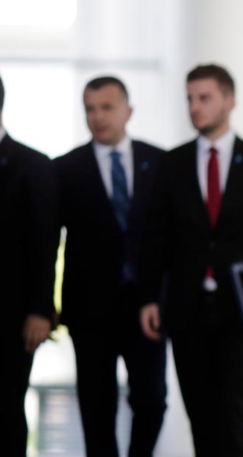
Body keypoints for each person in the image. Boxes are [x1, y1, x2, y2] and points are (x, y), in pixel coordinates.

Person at [139, 64, 243, 456]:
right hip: (185, 307)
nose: (195, 106)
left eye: (204, 98)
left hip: (242, 309)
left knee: (233, 408)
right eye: (190, 99)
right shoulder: (171, 164)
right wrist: (150, 298)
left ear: (229, 100)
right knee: (200, 412)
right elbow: (156, 236)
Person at [56, 76, 167, 456]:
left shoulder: (160, 162)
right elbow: (47, 239)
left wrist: (162, 296)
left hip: (147, 308)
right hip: (89, 312)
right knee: (96, 408)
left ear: (128, 111)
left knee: (152, 401)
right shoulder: (65, 168)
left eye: (107, 107)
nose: (98, 116)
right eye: (90, 109)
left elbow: (172, 237)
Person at [0, 74, 61, 457]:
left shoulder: (33, 166)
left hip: (12, 318)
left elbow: (45, 243)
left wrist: (40, 309)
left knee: (6, 409)